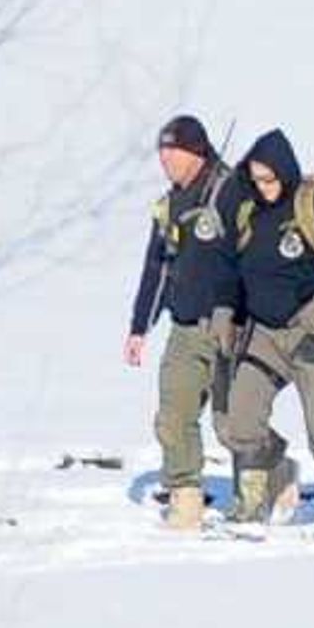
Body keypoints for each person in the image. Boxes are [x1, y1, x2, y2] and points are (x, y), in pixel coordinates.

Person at [216, 129, 314, 534]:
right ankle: (251, 502)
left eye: (270, 178)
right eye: (256, 179)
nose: (264, 187)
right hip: (266, 334)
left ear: (285, 171)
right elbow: (235, 270)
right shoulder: (250, 215)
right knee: (239, 418)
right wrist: (227, 310)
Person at [126, 115, 243, 530]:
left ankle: (266, 479)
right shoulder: (170, 204)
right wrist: (140, 326)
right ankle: (185, 497)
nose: (165, 162)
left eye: (172, 153)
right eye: (161, 154)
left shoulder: (232, 191)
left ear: (195, 152)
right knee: (173, 417)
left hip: (234, 325)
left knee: (234, 424)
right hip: (185, 326)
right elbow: (156, 268)